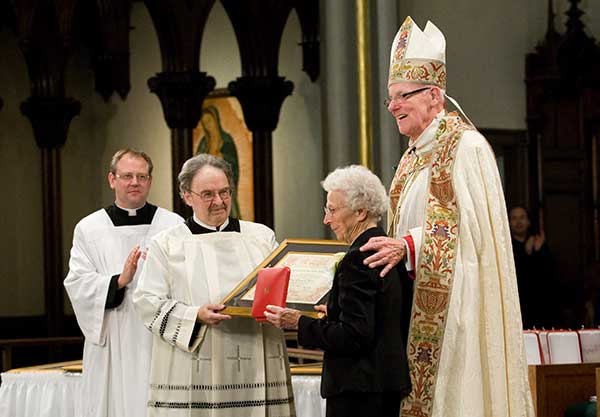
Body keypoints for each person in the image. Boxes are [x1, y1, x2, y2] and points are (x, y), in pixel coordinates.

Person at [359, 17, 535, 417]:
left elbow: (471, 231)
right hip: (410, 304)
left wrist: (408, 246)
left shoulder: (466, 147)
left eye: (403, 95)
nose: (393, 106)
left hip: (460, 306)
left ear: (435, 97)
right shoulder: (411, 157)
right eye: (390, 98)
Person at [133, 154, 295, 417]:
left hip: (258, 357)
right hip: (198, 368)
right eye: (207, 194)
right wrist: (194, 314)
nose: (219, 202)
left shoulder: (261, 238)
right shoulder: (168, 244)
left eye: (224, 192)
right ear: (187, 196)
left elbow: (286, 289)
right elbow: (147, 303)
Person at [264, 165, 411, 417]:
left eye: (332, 210)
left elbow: (354, 336)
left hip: (358, 392)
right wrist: (334, 313)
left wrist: (299, 322)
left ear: (361, 212)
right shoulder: (389, 252)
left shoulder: (357, 259)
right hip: (384, 384)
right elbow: (380, 319)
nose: (326, 220)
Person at [64, 148, 183, 417]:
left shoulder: (173, 225)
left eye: (142, 176)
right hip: (113, 332)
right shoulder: (89, 228)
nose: (134, 183)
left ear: (150, 181)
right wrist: (119, 280)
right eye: (127, 176)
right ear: (112, 179)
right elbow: (77, 282)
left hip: (158, 334)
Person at [509, 206, 557, 329]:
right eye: (514, 218)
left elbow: (548, 276)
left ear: (529, 222)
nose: (518, 222)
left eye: (522, 217)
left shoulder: (538, 243)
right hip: (517, 306)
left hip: (540, 307)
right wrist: (526, 253)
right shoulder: (506, 247)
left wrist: (537, 252)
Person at [196, 106, 241, 217]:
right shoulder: (204, 143)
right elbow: (195, 165)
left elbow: (234, 166)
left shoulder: (226, 140)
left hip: (224, 187)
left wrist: (222, 157)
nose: (208, 125)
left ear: (216, 120)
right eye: (204, 123)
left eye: (209, 121)